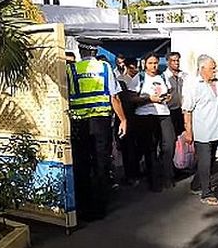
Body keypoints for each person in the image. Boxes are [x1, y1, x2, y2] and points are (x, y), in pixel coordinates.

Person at [67, 44, 127, 221]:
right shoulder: (105, 68)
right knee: (101, 164)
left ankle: (83, 208)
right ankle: (100, 207)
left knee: (82, 164)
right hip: (100, 122)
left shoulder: (71, 70)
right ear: (95, 52)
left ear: (81, 51)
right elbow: (114, 97)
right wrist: (123, 119)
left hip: (79, 123)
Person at [128, 52, 175, 192]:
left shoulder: (162, 76)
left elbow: (169, 92)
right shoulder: (140, 77)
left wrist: (168, 97)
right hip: (146, 115)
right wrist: (149, 99)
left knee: (169, 145)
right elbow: (131, 98)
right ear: (145, 64)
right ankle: (153, 180)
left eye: (155, 63)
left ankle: (167, 176)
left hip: (164, 113)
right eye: (150, 63)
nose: (154, 66)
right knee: (150, 148)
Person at [183, 54, 218, 206]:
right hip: (202, 130)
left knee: (210, 160)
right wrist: (188, 131)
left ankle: (196, 184)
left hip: (216, 129)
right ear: (202, 69)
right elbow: (187, 110)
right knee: (206, 161)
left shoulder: (217, 83)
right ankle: (206, 193)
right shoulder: (194, 85)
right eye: (212, 68)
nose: (215, 70)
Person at [115, 57, 140, 185]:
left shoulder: (130, 80)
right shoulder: (121, 81)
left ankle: (132, 174)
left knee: (129, 148)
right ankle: (132, 175)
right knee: (128, 148)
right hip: (126, 117)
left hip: (129, 117)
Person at [163, 51, 187, 137]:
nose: (176, 63)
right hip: (170, 111)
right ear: (168, 62)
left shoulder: (184, 75)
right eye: (173, 61)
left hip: (182, 110)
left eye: (177, 60)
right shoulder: (164, 76)